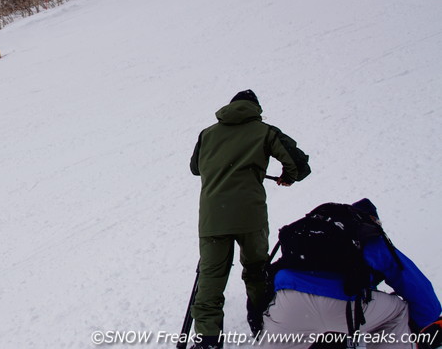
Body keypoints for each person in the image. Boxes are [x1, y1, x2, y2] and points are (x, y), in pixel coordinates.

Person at [188, 89, 311, 349]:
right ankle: (263, 323)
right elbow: (298, 164)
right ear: (255, 109)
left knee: (211, 279)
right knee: (256, 271)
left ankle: (208, 339)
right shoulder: (264, 131)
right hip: (250, 217)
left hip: (213, 219)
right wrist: (287, 176)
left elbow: (195, 168)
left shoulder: (207, 134)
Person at [262, 198, 442, 349]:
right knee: (397, 312)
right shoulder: (369, 239)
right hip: (343, 308)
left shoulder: (311, 238)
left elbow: (271, 277)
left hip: (288, 304)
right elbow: (414, 284)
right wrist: (428, 322)